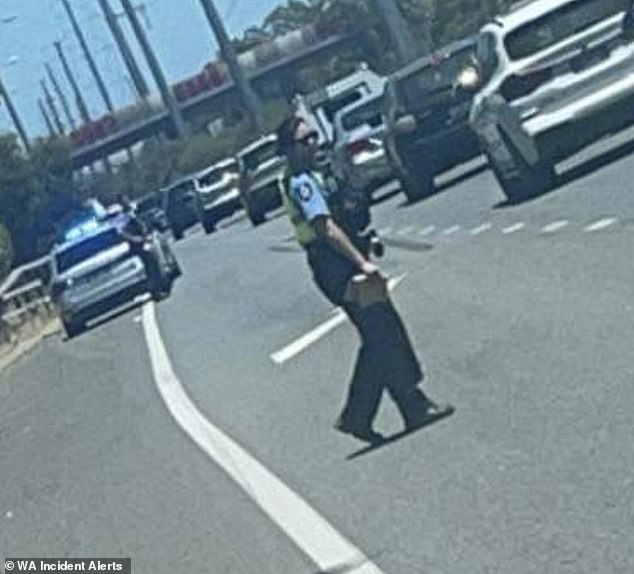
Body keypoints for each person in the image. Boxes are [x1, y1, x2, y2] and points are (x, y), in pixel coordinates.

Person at [276, 116, 453, 443]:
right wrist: (361, 263)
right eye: (304, 140)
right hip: (335, 266)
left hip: (344, 258)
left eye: (314, 136)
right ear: (288, 150)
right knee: (382, 329)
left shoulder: (319, 174)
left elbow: (344, 212)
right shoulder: (301, 182)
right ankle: (408, 405)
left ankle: (361, 414)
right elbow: (325, 228)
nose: (314, 143)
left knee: (379, 332)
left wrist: (363, 234)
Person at [116, 194, 163, 294]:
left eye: (126, 200)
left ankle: (162, 281)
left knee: (157, 259)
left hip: (149, 237)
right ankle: (155, 288)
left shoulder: (136, 209)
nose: (125, 202)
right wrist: (136, 239)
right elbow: (123, 233)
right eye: (122, 201)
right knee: (149, 263)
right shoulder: (122, 218)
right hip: (138, 244)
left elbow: (146, 221)